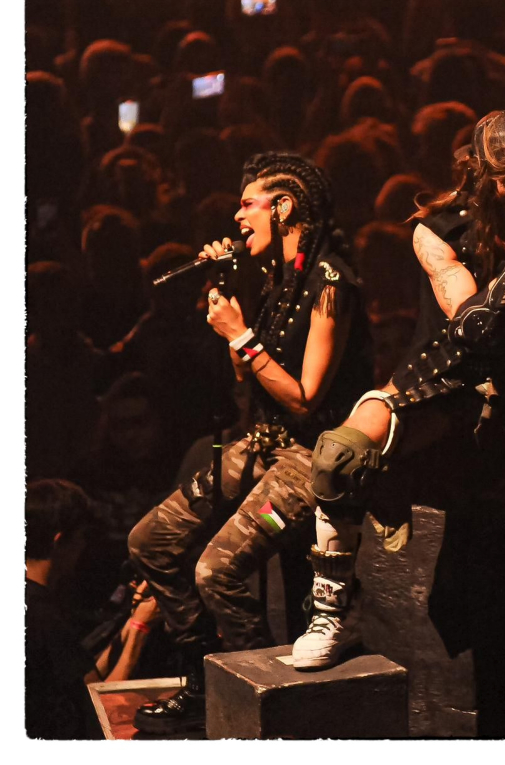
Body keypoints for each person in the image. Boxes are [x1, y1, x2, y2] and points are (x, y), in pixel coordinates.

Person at [293, 110, 505, 696]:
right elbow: (472, 327)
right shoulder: (435, 229)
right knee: (338, 454)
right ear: (481, 172)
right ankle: (332, 612)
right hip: (444, 381)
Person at [127, 152, 371, 734]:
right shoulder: (273, 277)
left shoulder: (330, 281)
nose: (236, 217)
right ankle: (200, 677)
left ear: (283, 207)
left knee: (216, 571)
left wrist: (239, 334)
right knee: (151, 541)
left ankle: (259, 696)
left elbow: (304, 397)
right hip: (262, 442)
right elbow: (247, 376)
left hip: (309, 457)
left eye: (247, 204)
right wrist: (231, 294)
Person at [26, 479, 161, 739]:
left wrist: (129, 624)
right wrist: (140, 629)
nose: (84, 547)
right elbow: (98, 706)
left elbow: (85, 679)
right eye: (81, 537)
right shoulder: (42, 617)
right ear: (59, 541)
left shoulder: (31, 600)